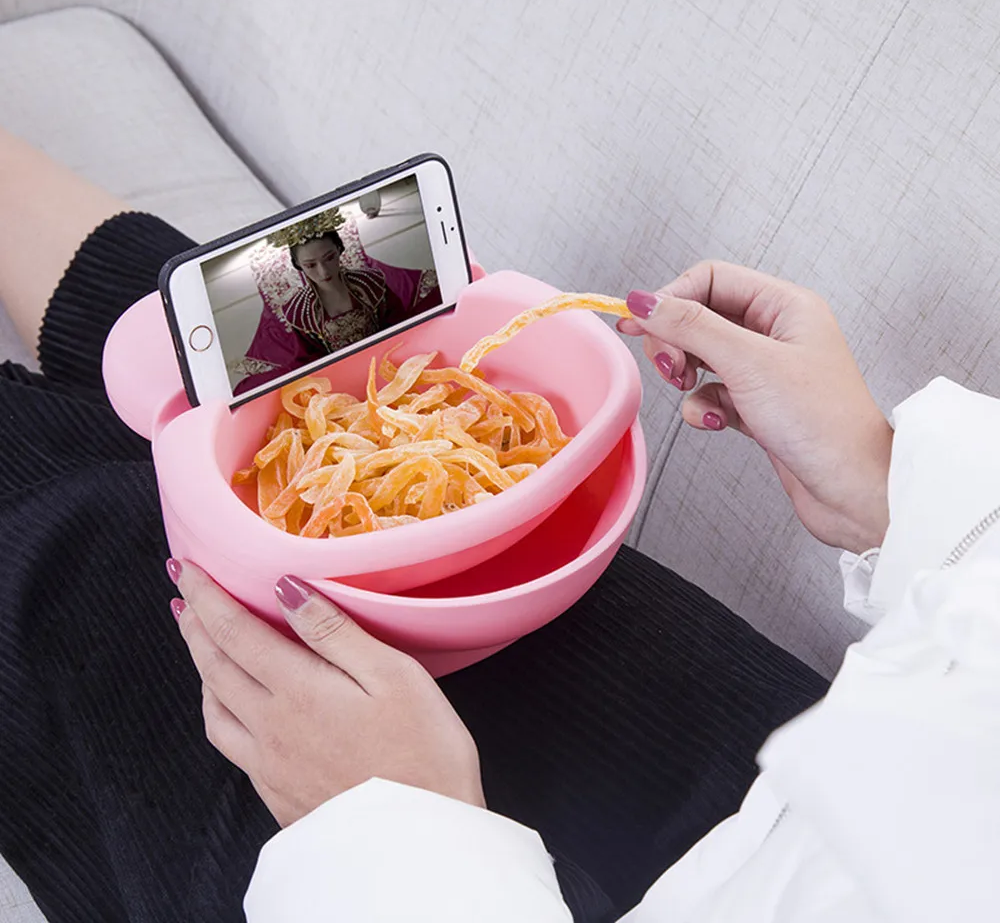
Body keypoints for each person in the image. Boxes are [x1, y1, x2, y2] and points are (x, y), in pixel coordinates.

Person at [0, 125, 995, 923]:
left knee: (75, 560)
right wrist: (898, 489)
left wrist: (403, 837)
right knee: (245, 346)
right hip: (836, 778)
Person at [233, 213, 441, 395]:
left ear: (340, 249)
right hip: (342, 379)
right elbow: (312, 360)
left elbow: (396, 323)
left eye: (329, 258)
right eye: (311, 265)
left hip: (388, 358)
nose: (323, 271)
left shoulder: (370, 283)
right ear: (299, 267)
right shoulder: (300, 312)